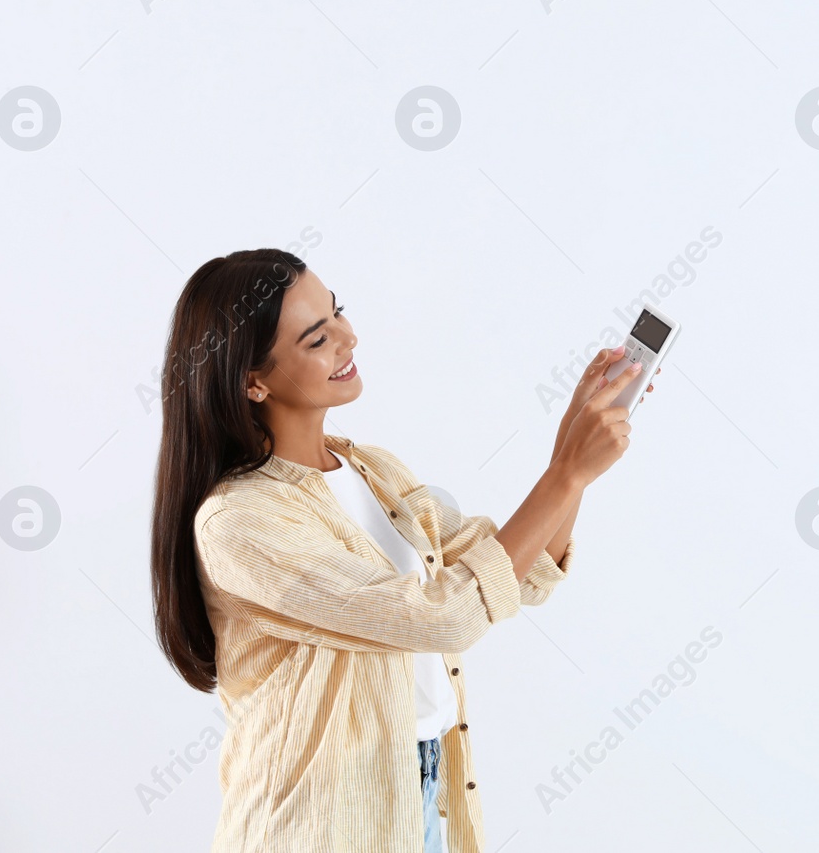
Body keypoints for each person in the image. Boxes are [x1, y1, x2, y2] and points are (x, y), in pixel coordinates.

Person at [148, 248, 655, 851]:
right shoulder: (240, 521)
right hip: (318, 827)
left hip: (428, 794)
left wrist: (569, 450)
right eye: (317, 339)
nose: (348, 337)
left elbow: (518, 575)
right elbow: (447, 615)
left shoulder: (373, 471)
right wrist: (566, 475)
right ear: (251, 381)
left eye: (338, 314)